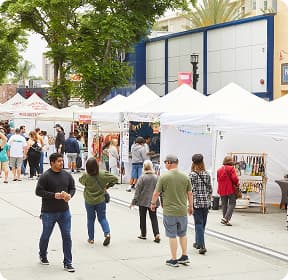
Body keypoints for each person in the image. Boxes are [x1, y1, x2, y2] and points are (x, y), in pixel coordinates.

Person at [35, 153, 76, 272]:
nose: (61, 163)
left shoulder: (67, 175)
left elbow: (72, 188)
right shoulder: (45, 176)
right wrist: (54, 195)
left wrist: (70, 195)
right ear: (52, 163)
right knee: (46, 235)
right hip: (48, 212)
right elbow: (38, 191)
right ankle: (43, 254)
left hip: (64, 212)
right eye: (58, 161)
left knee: (67, 236)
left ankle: (68, 262)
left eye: (62, 161)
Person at [150, 154, 193, 267]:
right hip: (182, 211)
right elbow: (190, 193)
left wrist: (153, 204)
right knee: (183, 234)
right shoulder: (185, 176)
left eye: (165, 162)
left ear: (169, 163)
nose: (165, 164)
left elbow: (156, 193)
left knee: (172, 235)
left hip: (170, 212)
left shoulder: (164, 177)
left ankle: (173, 259)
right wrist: (190, 206)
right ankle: (184, 256)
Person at [79, 157, 118, 246]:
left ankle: (91, 239)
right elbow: (115, 179)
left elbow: (80, 181)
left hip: (89, 200)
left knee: (90, 219)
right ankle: (107, 233)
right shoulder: (103, 174)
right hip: (101, 200)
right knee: (102, 218)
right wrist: (107, 186)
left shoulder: (86, 175)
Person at [129, 160, 160, 243]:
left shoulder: (142, 177)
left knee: (142, 218)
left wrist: (133, 202)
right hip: (154, 201)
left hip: (142, 201)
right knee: (154, 218)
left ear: (144, 167)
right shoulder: (156, 177)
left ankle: (143, 234)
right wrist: (162, 201)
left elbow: (137, 192)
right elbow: (160, 190)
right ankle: (156, 234)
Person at [189, 154, 212, 255]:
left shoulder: (191, 175)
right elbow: (210, 189)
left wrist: (189, 204)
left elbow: (189, 191)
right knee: (202, 224)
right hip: (206, 203)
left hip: (196, 203)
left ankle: (202, 246)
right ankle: (198, 243)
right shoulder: (207, 174)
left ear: (193, 163)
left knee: (198, 224)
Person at [217, 155, 239, 226]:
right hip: (230, 188)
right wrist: (237, 183)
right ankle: (226, 218)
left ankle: (225, 219)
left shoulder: (219, 169)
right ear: (231, 161)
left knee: (224, 204)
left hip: (221, 189)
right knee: (232, 203)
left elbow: (218, 180)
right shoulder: (231, 168)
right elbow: (235, 178)